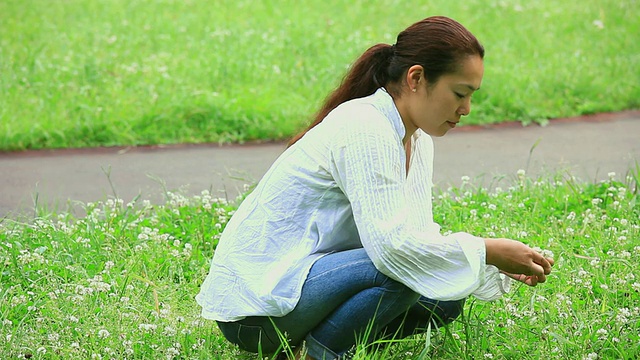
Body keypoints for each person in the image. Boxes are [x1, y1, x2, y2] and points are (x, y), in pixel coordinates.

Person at [196, 15, 554, 360]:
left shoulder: (416, 137)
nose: (467, 108)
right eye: (460, 93)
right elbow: (393, 250)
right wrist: (485, 251)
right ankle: (322, 352)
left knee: (444, 298)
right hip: (257, 313)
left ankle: (320, 340)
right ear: (416, 78)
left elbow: (412, 234)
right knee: (403, 273)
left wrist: (490, 264)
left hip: (314, 285)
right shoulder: (365, 126)